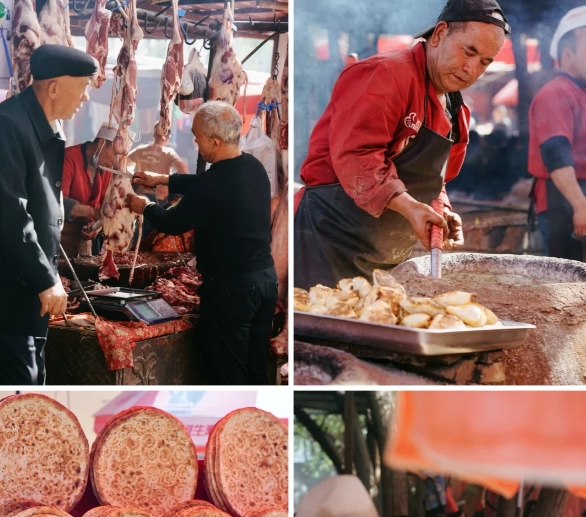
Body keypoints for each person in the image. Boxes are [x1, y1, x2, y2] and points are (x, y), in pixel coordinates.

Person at [294, 0, 510, 289]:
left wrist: (438, 209)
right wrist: (410, 207)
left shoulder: (457, 111)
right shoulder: (386, 74)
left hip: (385, 255)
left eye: (485, 61)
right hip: (329, 239)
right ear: (439, 33)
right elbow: (357, 157)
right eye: (468, 51)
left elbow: (436, 181)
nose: (472, 68)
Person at [126, 101, 277, 386]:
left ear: (216, 142)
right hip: (264, 283)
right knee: (255, 366)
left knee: (227, 373)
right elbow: (206, 182)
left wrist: (144, 206)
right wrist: (163, 179)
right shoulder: (252, 167)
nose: (195, 141)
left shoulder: (215, 182)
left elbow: (172, 223)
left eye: (198, 137)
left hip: (232, 291)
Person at [0, 45, 97, 385]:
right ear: (54, 87)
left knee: (32, 386)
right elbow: (10, 211)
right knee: (20, 394)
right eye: (83, 86)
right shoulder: (8, 124)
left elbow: (44, 198)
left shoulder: (47, 125)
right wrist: (45, 278)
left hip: (29, 291)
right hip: (10, 292)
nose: (85, 97)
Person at [528, 7, 586, 260]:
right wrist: (580, 205)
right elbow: (556, 154)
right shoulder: (556, 93)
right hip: (562, 200)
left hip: (575, 197)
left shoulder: (580, 93)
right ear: (567, 53)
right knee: (567, 284)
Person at [61, 122, 116, 254]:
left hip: (84, 240)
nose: (116, 160)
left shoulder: (107, 166)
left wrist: (97, 227)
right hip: (61, 235)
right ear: (101, 142)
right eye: (116, 153)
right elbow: (59, 201)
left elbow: (103, 203)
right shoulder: (68, 157)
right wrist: (93, 213)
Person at [127, 124, 189, 201]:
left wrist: (135, 177)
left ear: (154, 135)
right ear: (168, 138)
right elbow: (184, 169)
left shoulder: (140, 150)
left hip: (141, 195)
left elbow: (124, 165)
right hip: (160, 197)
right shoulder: (168, 152)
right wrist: (171, 183)